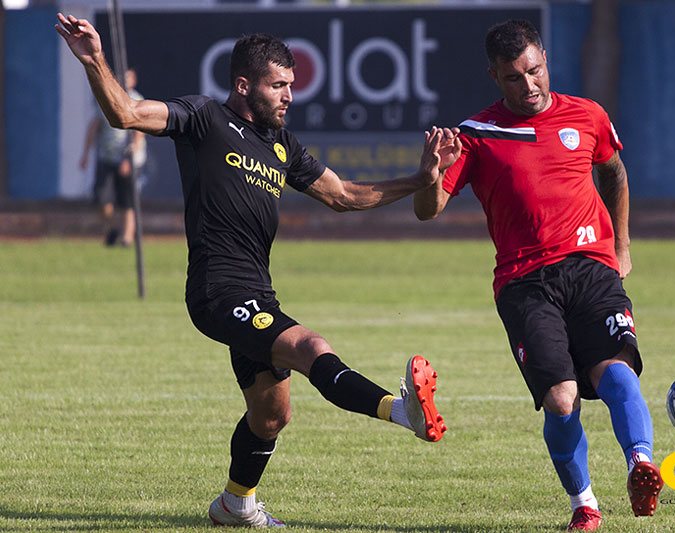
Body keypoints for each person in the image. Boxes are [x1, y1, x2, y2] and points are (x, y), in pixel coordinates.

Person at [55, 13, 451, 528]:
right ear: (244, 85)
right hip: (217, 292)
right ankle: (405, 414)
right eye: (278, 85)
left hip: (258, 294)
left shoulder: (282, 147)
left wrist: (421, 179)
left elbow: (347, 196)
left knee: (271, 416)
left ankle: (234, 506)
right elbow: (126, 113)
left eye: (291, 85)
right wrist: (95, 60)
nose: (289, 96)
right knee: (311, 347)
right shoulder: (203, 118)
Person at [414, 19, 662, 532]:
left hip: (591, 267)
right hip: (525, 282)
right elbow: (428, 210)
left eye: (534, 70)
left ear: (545, 59)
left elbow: (613, 173)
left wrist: (622, 243)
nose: (528, 85)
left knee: (616, 372)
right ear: (493, 77)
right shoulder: (475, 135)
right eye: (513, 78)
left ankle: (641, 465)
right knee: (560, 398)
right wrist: (430, 175)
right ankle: (585, 505)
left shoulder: (588, 114)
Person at [79, 68, 146, 247]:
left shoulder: (136, 100)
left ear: (134, 80)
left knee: (127, 201)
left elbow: (139, 132)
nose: (124, 80)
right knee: (102, 199)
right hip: (106, 156)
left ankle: (127, 239)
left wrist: (129, 158)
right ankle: (112, 229)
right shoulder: (106, 99)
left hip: (127, 158)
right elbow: (94, 126)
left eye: (128, 77)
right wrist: (85, 154)